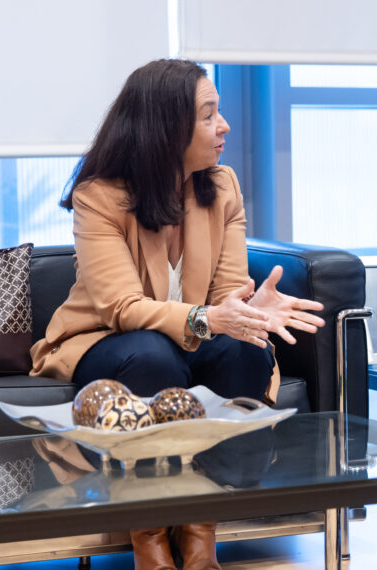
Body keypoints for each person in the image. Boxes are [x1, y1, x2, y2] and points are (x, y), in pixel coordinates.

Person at [30, 59, 325, 570]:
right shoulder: (98, 195)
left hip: (186, 339)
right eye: (209, 115)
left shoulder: (221, 185)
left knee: (246, 348)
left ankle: (199, 533)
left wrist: (249, 309)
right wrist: (210, 320)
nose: (224, 126)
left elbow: (229, 294)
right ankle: (148, 537)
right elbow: (121, 307)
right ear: (166, 128)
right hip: (109, 342)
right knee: (153, 357)